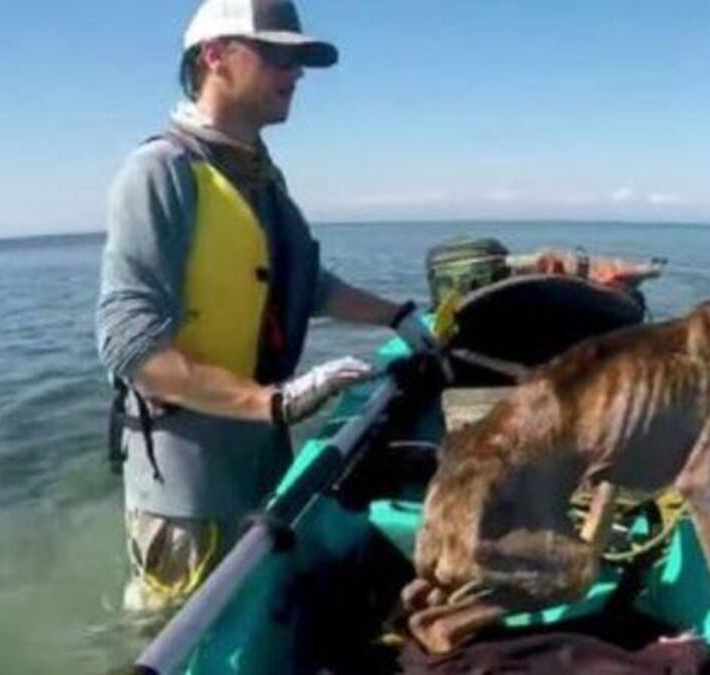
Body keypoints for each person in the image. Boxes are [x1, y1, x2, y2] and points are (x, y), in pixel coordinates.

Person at [95, 0, 435, 616]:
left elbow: (309, 285)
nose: (296, 72)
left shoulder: (261, 178)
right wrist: (273, 402)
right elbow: (130, 346)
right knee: (174, 629)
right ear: (215, 57)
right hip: (187, 491)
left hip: (262, 457)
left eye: (300, 59)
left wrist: (399, 316)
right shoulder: (159, 173)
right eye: (278, 54)